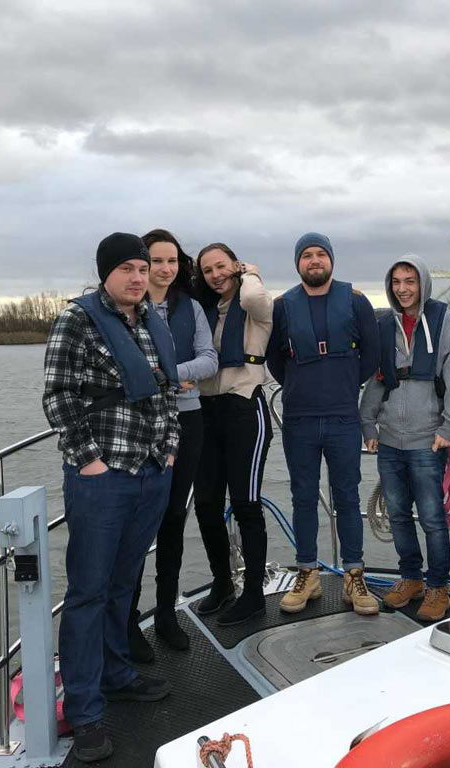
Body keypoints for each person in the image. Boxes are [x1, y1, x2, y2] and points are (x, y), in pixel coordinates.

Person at [43, 232, 180, 762]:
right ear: (106, 272)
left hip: (151, 471)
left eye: (143, 269)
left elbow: (167, 391)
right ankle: (85, 711)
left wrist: (168, 450)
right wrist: (89, 461)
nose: (138, 277)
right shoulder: (76, 320)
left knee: (124, 583)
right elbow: (58, 395)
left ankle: (118, 673)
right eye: (127, 268)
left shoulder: (153, 320)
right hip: (102, 477)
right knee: (87, 592)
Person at [266, 232, 381, 615]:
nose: (314, 261)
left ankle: (354, 576)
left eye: (320, 254)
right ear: (298, 263)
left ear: (331, 260)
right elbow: (274, 361)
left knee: (347, 497)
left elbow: (371, 355)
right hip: (299, 418)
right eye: (307, 256)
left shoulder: (356, 301)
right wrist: (302, 386)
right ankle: (308, 573)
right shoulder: (283, 307)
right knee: (302, 498)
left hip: (342, 416)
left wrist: (344, 386)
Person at [127, 229, 218, 658]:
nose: (164, 269)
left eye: (171, 261)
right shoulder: (128, 308)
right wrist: (172, 377)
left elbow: (209, 359)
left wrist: (165, 373)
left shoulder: (192, 308)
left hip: (187, 419)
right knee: (138, 521)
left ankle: (166, 614)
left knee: (173, 521)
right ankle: (128, 620)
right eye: (155, 261)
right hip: (142, 424)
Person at [359, 255, 450, 622]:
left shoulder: (445, 319)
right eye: (397, 282)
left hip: (427, 439)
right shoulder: (383, 324)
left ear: (422, 283)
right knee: (399, 514)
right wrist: (368, 424)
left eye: (410, 281)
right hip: (389, 439)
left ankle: (438, 586)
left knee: (433, 518)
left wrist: (449, 427)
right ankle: (411, 579)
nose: (403, 289)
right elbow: (378, 377)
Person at [192, 243, 275, 626]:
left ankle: (254, 595)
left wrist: (250, 271)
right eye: (207, 270)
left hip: (244, 407)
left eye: (221, 266)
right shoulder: (202, 312)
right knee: (207, 504)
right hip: (207, 412)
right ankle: (222, 582)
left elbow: (256, 294)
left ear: (235, 265)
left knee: (246, 505)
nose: (215, 275)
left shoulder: (254, 304)